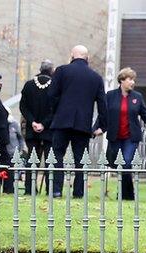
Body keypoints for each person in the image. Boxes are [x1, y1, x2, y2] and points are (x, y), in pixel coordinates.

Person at [44, 45, 107, 198]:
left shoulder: (61, 71)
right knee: (81, 159)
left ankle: (56, 190)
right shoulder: (96, 77)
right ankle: (78, 192)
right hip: (83, 124)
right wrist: (101, 126)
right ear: (87, 58)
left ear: (72, 56)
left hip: (62, 121)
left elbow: (51, 95)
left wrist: (56, 112)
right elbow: (103, 104)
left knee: (57, 155)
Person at [101, 67, 146, 200]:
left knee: (126, 163)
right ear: (122, 80)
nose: (132, 82)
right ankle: (127, 194)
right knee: (120, 165)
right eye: (130, 79)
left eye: (133, 80)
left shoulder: (137, 97)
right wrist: (97, 128)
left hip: (131, 137)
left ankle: (126, 195)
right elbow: (103, 115)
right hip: (115, 136)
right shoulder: (110, 96)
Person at [20, 60, 55, 195]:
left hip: (31, 128)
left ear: (40, 69)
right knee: (49, 160)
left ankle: (29, 188)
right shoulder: (55, 86)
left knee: (32, 159)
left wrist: (33, 121)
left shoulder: (29, 85)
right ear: (51, 71)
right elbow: (55, 109)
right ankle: (49, 189)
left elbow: (23, 106)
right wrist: (44, 124)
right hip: (49, 129)